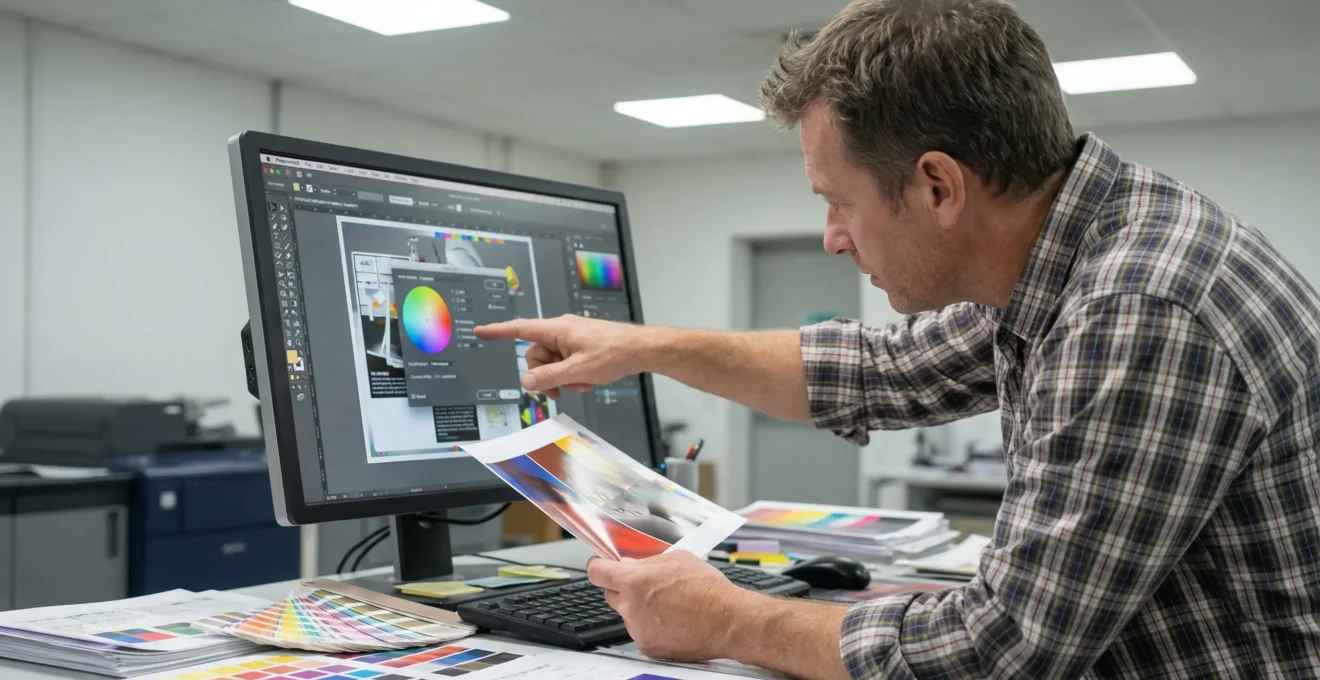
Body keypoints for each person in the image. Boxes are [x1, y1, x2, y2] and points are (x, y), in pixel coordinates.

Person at [475, 0, 1320, 677]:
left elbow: (1000, 649)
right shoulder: (1069, 252)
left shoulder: (1137, 305)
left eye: (837, 201)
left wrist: (726, 618)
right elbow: (873, 370)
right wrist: (641, 346)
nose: (833, 237)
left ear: (938, 186)